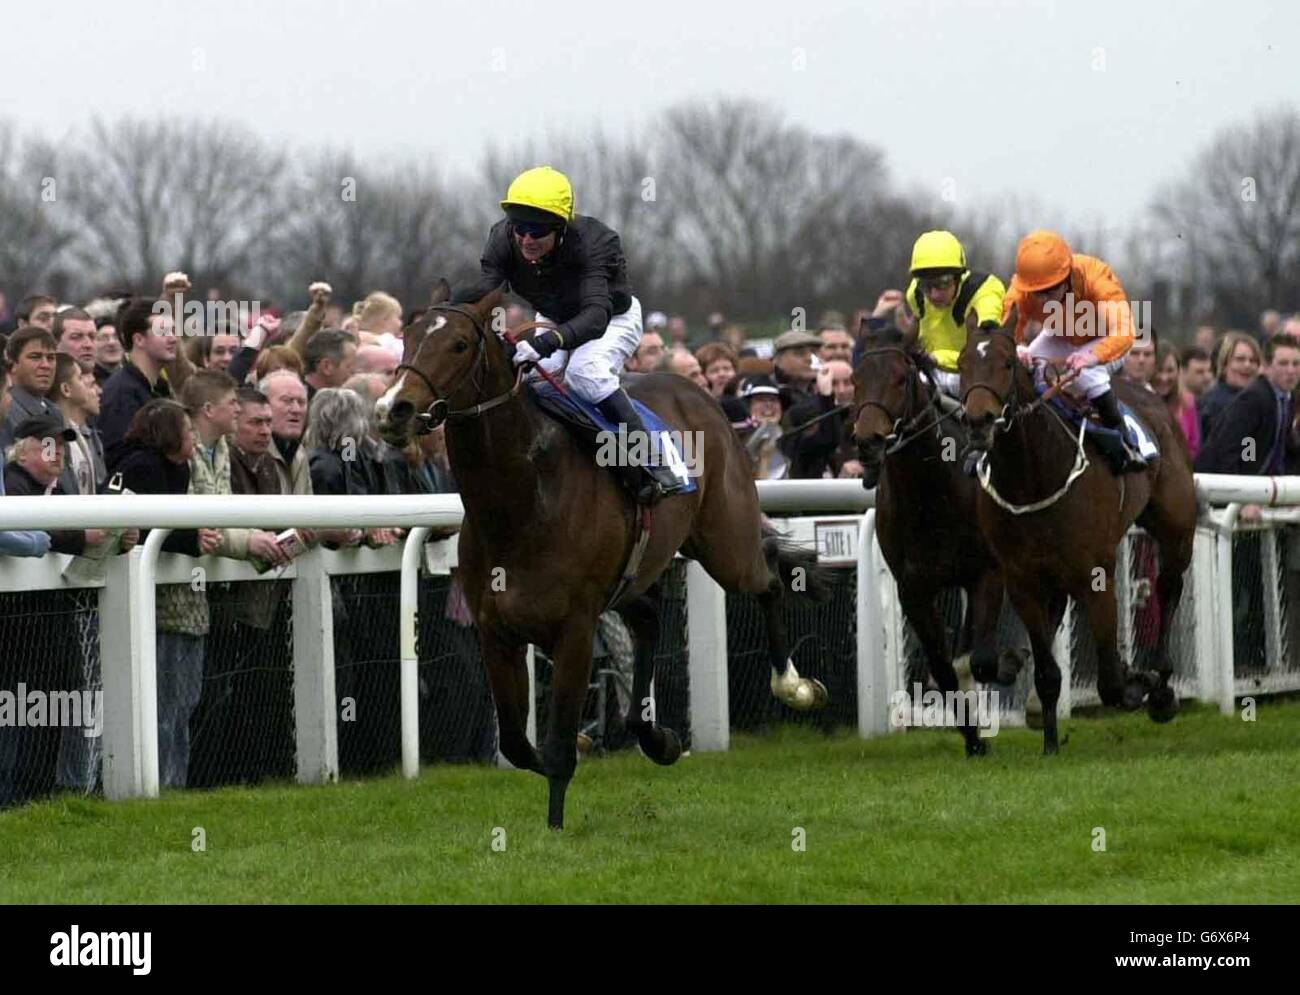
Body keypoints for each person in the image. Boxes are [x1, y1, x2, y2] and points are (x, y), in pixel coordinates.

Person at [450, 165, 682, 503]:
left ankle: (652, 460)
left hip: (612, 318)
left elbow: (595, 316)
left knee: (584, 374)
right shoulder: (502, 237)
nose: (526, 240)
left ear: (560, 228)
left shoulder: (594, 242)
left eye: (537, 231)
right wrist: (446, 310)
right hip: (556, 316)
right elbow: (487, 288)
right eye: (520, 229)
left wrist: (546, 342)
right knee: (531, 384)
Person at [105, 400, 222, 789]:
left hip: (174, 603)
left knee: (181, 704)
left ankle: (174, 785)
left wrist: (191, 536)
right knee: (163, 706)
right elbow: (143, 525)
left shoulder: (177, 467)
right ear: (170, 434)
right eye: (187, 431)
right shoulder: (141, 466)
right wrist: (192, 538)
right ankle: (157, 785)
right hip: (145, 606)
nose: (192, 437)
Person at [1001, 229, 1148, 473]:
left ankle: (1126, 442)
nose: (1045, 299)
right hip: (1061, 332)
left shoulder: (1095, 276)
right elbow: (1004, 329)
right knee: (1027, 371)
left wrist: (1092, 357)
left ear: (1067, 276)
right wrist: (1018, 348)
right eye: (1039, 293)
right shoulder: (1022, 290)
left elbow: (1125, 331)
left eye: (1050, 291)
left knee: (1086, 374)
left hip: (1106, 339)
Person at [902, 230, 1006, 399]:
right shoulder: (915, 294)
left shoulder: (985, 291)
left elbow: (987, 350)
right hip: (931, 374)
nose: (934, 294)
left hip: (975, 375)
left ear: (959, 276)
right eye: (926, 285)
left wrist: (937, 359)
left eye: (942, 283)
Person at [1198, 332, 1262, 442]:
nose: (1247, 365)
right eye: (1240, 359)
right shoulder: (1215, 406)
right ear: (1224, 366)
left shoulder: (1254, 401)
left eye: (1253, 360)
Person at [1153, 342, 1200, 460]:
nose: (1164, 377)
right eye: (1159, 370)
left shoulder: (1187, 403)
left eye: (1170, 371)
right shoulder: (1138, 401)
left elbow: (1194, 446)